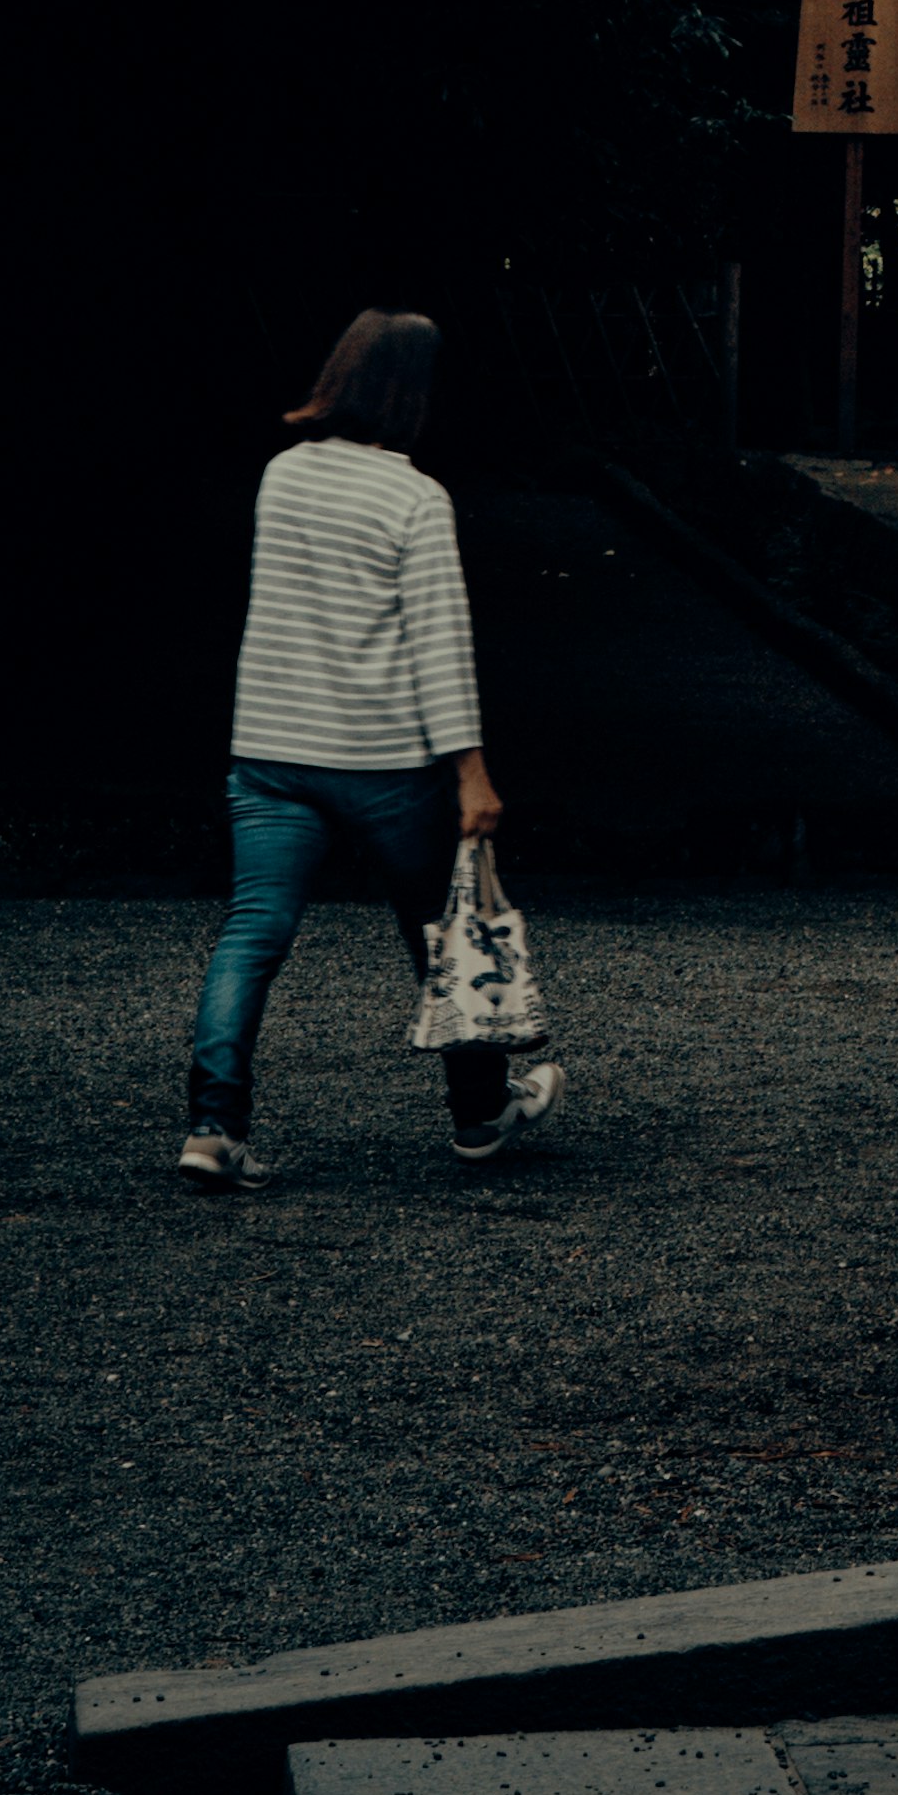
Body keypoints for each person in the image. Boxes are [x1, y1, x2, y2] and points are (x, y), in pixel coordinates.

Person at [178, 307, 570, 1191]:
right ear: (414, 395)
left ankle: (213, 1126)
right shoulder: (414, 498)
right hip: (382, 761)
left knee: (253, 933)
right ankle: (478, 1115)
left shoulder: (282, 476)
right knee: (442, 937)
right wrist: (471, 771)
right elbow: (439, 641)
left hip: (272, 752)